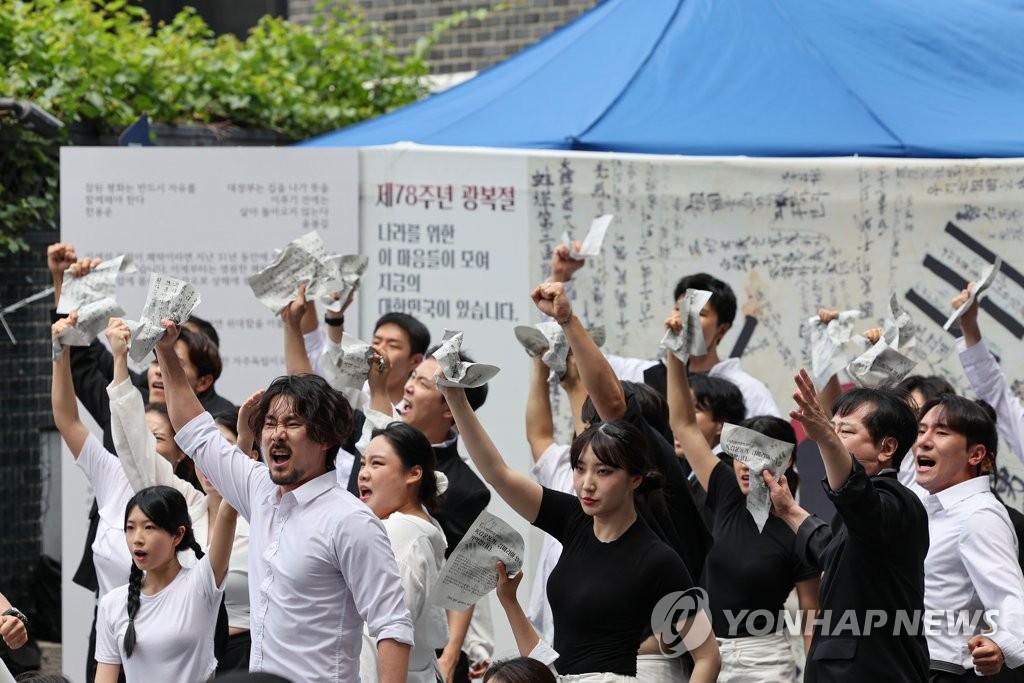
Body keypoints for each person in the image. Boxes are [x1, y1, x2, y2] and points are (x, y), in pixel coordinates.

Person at [155, 320, 413, 683]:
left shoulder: (351, 520)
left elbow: (392, 627)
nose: (277, 434)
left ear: (324, 437)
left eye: (292, 423)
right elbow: (195, 431)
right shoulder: (259, 489)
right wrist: (166, 352)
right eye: (270, 423)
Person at [437, 376, 721, 680]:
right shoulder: (572, 519)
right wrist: (456, 397)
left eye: (604, 471)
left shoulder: (658, 559)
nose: (587, 484)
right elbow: (498, 474)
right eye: (580, 468)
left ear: (635, 479)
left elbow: (707, 657)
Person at [667, 327, 819, 681]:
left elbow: (811, 613)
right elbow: (684, 424)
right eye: (741, 455)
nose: (748, 467)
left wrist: (817, 675)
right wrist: (676, 352)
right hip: (708, 656)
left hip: (765, 662)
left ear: (787, 462)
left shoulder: (801, 527)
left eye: (762, 457)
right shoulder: (725, 490)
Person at [763, 374, 929, 682]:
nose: (832, 437)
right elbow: (832, 551)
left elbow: (855, 493)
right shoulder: (861, 514)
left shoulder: (897, 502)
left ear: (887, 447)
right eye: (832, 427)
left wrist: (825, 436)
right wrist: (788, 510)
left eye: (845, 431)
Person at [546, 244, 779, 417]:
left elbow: (777, 460)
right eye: (680, 308)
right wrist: (560, 278)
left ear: (723, 330)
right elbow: (572, 354)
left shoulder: (748, 391)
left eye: (700, 312)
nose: (685, 318)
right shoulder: (642, 377)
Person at [914, 394, 1024, 680]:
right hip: (909, 665)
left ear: (976, 455)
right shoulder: (923, 506)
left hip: (943, 671)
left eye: (941, 432)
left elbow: (1012, 599)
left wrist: (1001, 645)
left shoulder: (979, 515)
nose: (924, 441)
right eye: (921, 430)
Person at [94, 485, 236, 683]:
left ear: (177, 535)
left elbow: (228, 512)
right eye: (130, 528)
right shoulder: (112, 604)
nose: (137, 539)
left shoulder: (200, 584)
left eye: (149, 527)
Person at [356, 422, 449, 683]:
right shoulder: (417, 527)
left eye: (377, 464)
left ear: (413, 474)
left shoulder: (399, 533)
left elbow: (384, 633)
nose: (363, 473)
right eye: (363, 463)